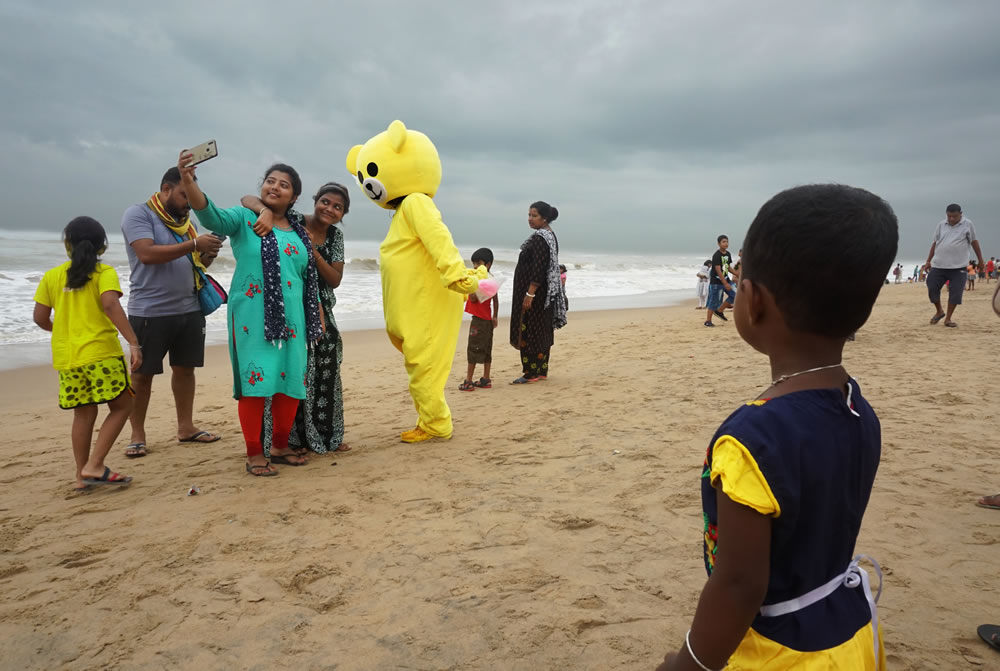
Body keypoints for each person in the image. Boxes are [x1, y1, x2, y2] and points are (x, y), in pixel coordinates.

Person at [656, 184, 898, 671]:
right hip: (850, 634)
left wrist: (688, 664)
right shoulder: (857, 407)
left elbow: (740, 586)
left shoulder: (750, 439)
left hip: (779, 654)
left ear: (752, 301)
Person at [178, 152, 323, 476]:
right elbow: (211, 216)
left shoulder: (300, 232)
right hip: (252, 317)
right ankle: (255, 453)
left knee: (290, 381)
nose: (275, 187)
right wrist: (189, 180)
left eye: (283, 185)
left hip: (294, 319)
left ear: (294, 196)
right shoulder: (245, 218)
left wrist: (317, 316)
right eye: (270, 181)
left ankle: (280, 446)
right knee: (256, 382)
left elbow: (302, 278)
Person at [120, 167, 224, 458]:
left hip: (189, 308)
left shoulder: (186, 224)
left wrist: (206, 255)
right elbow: (146, 253)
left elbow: (193, 266)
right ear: (165, 189)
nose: (188, 201)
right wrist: (193, 244)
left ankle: (186, 427)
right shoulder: (139, 214)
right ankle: (137, 435)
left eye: (191, 196)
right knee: (142, 375)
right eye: (183, 194)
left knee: (185, 369)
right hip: (149, 311)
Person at [33, 217, 142, 489]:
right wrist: (133, 342)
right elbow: (110, 305)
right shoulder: (104, 273)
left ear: (67, 245)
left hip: (68, 358)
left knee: (83, 414)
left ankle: (81, 475)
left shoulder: (52, 276)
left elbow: (39, 318)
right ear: (102, 247)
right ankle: (95, 465)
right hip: (100, 353)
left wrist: (63, 330)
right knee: (122, 406)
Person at [244, 183, 352, 455]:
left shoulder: (335, 237)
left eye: (337, 207)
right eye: (325, 202)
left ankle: (327, 438)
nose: (330, 209)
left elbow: (335, 280)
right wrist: (264, 211)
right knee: (290, 375)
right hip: (288, 310)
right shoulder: (292, 220)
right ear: (315, 200)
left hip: (322, 313)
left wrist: (313, 253)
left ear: (342, 214)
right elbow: (247, 199)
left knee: (325, 376)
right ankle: (288, 440)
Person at [510, 201, 567, 384]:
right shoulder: (548, 236)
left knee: (530, 329)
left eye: (534, 216)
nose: (530, 219)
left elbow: (539, 268)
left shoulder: (541, 238)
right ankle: (541, 370)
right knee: (541, 329)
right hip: (541, 294)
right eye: (529, 215)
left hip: (535, 294)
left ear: (544, 218)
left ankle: (530, 373)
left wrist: (530, 294)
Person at [923, 203, 985, 328]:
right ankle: (939, 311)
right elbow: (935, 243)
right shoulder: (941, 225)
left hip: (959, 267)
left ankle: (948, 319)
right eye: (949, 216)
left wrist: (980, 260)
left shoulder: (968, 224)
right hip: (939, 265)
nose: (951, 219)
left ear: (960, 214)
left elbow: (974, 241)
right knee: (932, 287)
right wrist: (928, 261)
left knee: (955, 293)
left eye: (954, 216)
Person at [459, 248, 500, 391]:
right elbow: (495, 299)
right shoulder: (492, 280)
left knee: (473, 349)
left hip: (478, 321)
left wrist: (471, 285)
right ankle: (486, 379)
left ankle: (468, 381)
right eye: (474, 264)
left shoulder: (479, 281)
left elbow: (473, 298)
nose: (475, 267)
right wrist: (495, 316)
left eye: (478, 263)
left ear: (487, 265)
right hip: (487, 319)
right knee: (487, 349)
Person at [704, 235, 735, 327]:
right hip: (716, 282)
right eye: (723, 242)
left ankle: (720, 311)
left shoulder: (728, 254)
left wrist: (737, 274)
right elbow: (718, 270)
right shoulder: (717, 255)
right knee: (714, 301)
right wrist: (725, 283)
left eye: (727, 241)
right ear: (719, 244)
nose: (726, 243)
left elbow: (728, 267)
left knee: (735, 295)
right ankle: (708, 321)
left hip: (726, 279)